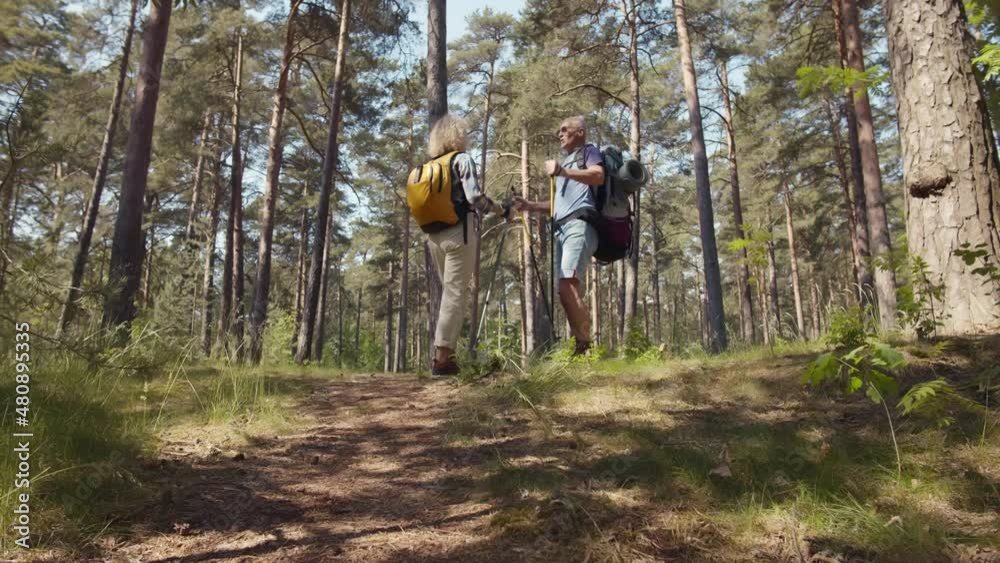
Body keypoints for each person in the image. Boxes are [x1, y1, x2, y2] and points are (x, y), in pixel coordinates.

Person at [513, 115, 604, 356]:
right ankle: (580, 347)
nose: (560, 134)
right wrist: (530, 206)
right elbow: (557, 205)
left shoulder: (589, 152)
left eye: (564, 130)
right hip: (562, 229)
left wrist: (563, 171)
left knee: (567, 287)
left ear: (580, 132)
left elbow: (598, 175)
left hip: (579, 225)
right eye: (559, 132)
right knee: (565, 290)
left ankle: (584, 349)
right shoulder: (568, 163)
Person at [423, 114, 500, 376]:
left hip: (434, 237)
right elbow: (474, 197)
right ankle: (442, 359)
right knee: (455, 294)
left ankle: (448, 354)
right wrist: (498, 209)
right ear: (458, 136)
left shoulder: (430, 166)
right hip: (459, 232)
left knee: (450, 293)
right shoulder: (462, 159)